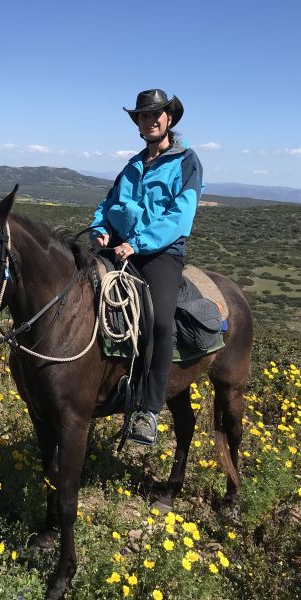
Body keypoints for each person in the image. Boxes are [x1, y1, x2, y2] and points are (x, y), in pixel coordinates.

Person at [90, 89, 203, 445]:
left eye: (158, 114)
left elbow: (179, 216)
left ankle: (149, 410)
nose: (151, 120)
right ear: (137, 123)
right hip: (120, 248)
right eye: (143, 115)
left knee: (159, 320)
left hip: (161, 254)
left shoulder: (186, 161)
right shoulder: (132, 165)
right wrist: (99, 228)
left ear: (170, 119)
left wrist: (137, 243)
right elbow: (109, 202)